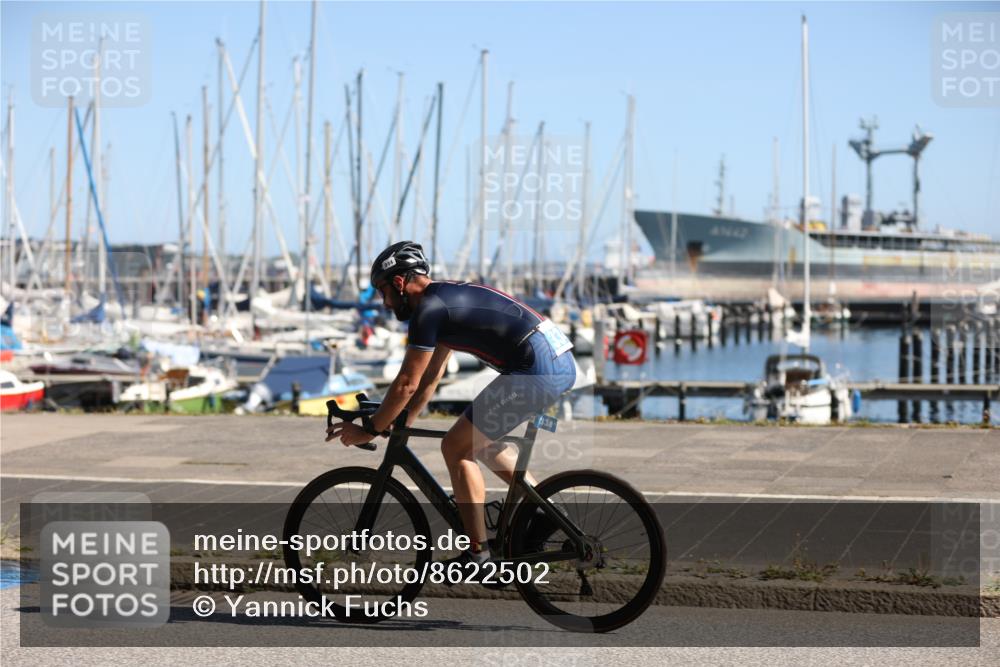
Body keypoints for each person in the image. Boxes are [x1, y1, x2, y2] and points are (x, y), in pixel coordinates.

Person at [326, 241, 577, 566]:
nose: (384, 302)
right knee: (483, 443)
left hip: (537, 367)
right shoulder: (442, 299)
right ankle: (546, 510)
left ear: (399, 283)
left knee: (455, 447)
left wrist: (370, 430)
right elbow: (428, 379)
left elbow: (405, 384)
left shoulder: (428, 312)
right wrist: (401, 423)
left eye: (383, 291)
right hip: (555, 361)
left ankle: (479, 556)